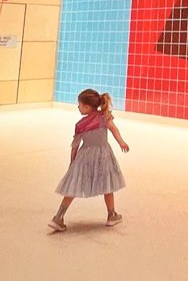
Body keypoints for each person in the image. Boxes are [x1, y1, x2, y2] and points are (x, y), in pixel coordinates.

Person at [49, 89, 129, 232]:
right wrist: (121, 142)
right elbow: (113, 129)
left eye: (79, 105)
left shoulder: (80, 125)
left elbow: (75, 146)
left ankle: (59, 217)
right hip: (103, 156)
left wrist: (73, 163)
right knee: (107, 184)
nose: (78, 107)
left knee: (73, 186)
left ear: (86, 107)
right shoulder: (104, 117)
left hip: (84, 157)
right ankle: (111, 214)